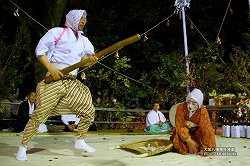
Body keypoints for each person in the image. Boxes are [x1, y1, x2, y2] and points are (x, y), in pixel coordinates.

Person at [16, 9, 98, 161]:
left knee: (88, 110)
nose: (83, 21)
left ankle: (80, 140)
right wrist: (51, 69)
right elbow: (40, 52)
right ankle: (23, 146)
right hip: (55, 79)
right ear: (72, 19)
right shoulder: (57, 32)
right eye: (81, 18)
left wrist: (90, 60)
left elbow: (86, 59)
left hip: (72, 81)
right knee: (39, 115)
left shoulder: (84, 41)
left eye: (85, 18)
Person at [170, 88, 216, 156]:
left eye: (194, 103)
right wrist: (189, 140)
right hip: (183, 134)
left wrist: (206, 148)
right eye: (189, 102)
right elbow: (180, 125)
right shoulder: (181, 107)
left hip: (196, 133)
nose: (190, 106)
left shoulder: (202, 111)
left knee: (206, 134)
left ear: (199, 104)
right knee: (177, 135)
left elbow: (206, 129)